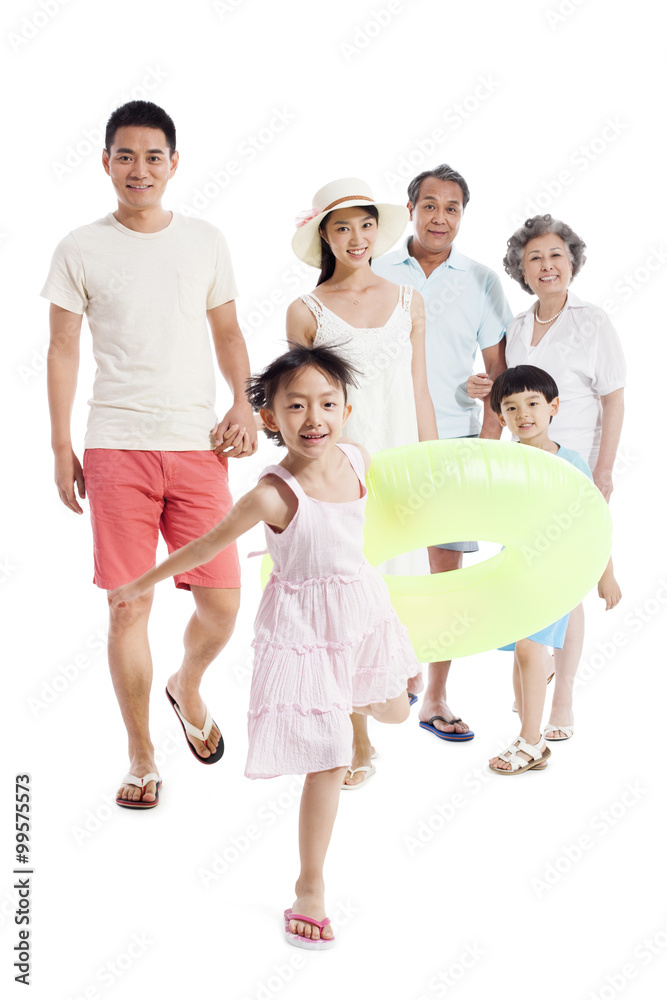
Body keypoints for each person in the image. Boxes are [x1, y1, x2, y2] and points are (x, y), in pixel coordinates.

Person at [109, 345, 416, 946]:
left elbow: (393, 507)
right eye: (295, 405)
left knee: (397, 708)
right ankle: (310, 888)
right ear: (271, 418)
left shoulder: (356, 458)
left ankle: (359, 715)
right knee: (326, 761)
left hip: (360, 607)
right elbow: (206, 545)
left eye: (327, 403)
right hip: (302, 629)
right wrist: (141, 582)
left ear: (347, 410)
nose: (314, 418)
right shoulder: (273, 494)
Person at [42, 101, 257, 809]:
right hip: (116, 448)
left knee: (223, 604)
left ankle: (186, 684)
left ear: (173, 163)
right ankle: (140, 757)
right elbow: (64, 348)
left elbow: (227, 332)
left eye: (153, 156)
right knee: (128, 609)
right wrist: (60, 443)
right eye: (125, 156)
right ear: (106, 162)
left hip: (197, 447)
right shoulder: (80, 246)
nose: (140, 169)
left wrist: (242, 400)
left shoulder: (204, 240)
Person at [287, 177, 438, 786]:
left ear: (380, 229)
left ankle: (391, 690)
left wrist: (431, 465)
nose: (356, 238)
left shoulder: (409, 300)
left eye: (366, 225)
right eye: (342, 227)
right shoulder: (307, 311)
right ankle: (353, 732)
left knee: (397, 588)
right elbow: (301, 404)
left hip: (405, 464)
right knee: (344, 593)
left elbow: (419, 388)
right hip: (341, 474)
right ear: (324, 234)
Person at [468, 215, 626, 739]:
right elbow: (513, 390)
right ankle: (536, 671)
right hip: (528, 467)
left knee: (573, 581)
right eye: (534, 258)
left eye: (556, 255)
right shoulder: (516, 325)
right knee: (536, 574)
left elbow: (614, 396)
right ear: (521, 269)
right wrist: (482, 387)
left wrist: (603, 467)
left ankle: (562, 699)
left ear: (572, 262)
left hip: (576, 461)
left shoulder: (593, 321)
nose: (546, 265)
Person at [372, 164, 513, 743]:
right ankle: (380, 680)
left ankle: (434, 694)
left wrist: (485, 447)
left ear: (462, 215)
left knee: (444, 568)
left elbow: (499, 376)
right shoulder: (376, 268)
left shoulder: (481, 280)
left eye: (452, 208)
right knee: (374, 560)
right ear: (411, 209)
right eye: (429, 205)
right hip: (382, 434)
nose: (440, 217)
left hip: (454, 440)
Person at [487, 365, 621, 773]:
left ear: (553, 407)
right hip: (517, 571)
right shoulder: (503, 460)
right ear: (500, 417)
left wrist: (606, 574)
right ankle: (526, 733)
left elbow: (592, 522)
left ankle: (532, 743)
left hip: (558, 575)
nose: (522, 414)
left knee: (530, 648)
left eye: (532, 403)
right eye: (510, 408)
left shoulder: (571, 463)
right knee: (520, 654)